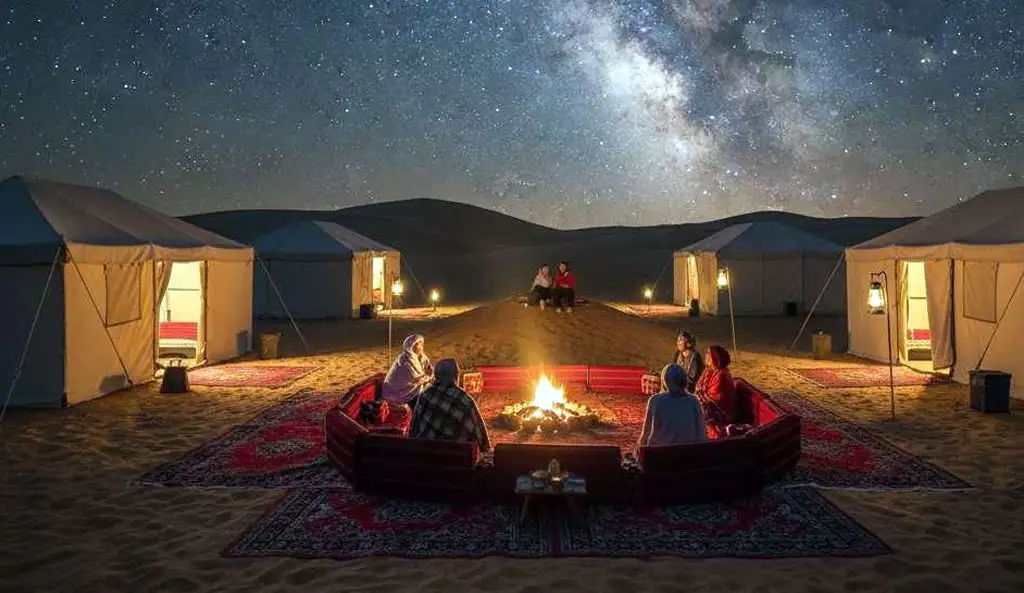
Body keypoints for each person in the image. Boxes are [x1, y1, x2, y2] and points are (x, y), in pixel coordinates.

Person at [408, 358, 491, 451]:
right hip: (456, 459)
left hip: (426, 456)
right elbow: (479, 435)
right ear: (455, 376)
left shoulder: (425, 395)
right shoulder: (463, 399)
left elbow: (414, 429)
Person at [636, 363, 706, 449]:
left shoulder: (656, 400)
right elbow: (701, 433)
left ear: (665, 381)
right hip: (689, 455)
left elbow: (645, 434)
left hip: (660, 454)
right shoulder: (693, 401)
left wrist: (639, 452)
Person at [695, 345, 752, 427]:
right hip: (707, 404)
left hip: (721, 412)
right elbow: (698, 386)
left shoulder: (722, 375)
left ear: (716, 358)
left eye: (708, 353)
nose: (706, 356)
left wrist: (698, 398)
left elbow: (715, 399)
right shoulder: (708, 370)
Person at [381, 334, 434, 408]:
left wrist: (429, 375)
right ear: (411, 347)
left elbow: (429, 369)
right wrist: (428, 377)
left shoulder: (422, 356)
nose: (421, 347)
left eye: (422, 344)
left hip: (417, 385)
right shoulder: (405, 361)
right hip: (397, 393)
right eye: (418, 345)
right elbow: (416, 379)